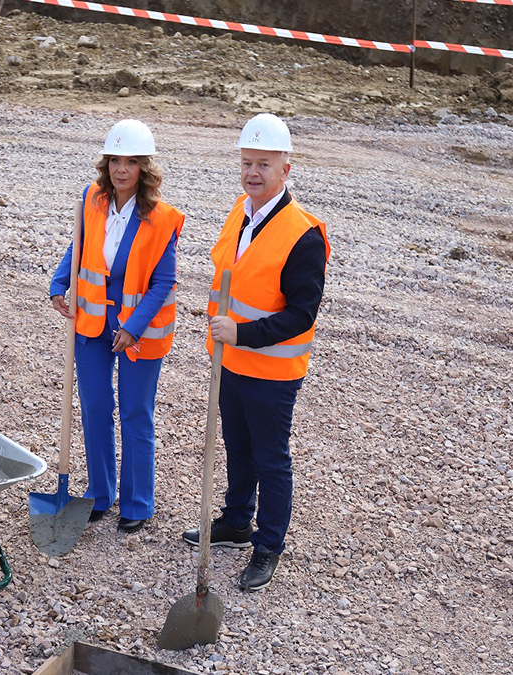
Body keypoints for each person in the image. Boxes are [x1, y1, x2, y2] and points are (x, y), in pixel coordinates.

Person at [182, 113, 330, 591]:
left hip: (271, 370)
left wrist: (240, 334)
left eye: (263, 164)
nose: (253, 172)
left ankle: (268, 547)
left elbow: (301, 314)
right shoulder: (239, 211)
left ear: (285, 169)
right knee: (237, 449)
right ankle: (236, 522)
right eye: (247, 162)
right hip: (229, 362)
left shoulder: (303, 234)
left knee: (271, 459)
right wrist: (229, 340)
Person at [49, 119, 185, 534]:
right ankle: (101, 495)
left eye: (130, 162)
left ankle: (138, 504)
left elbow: (164, 281)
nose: (121, 169)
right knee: (93, 408)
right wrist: (60, 281)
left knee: (135, 413)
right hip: (90, 323)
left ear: (144, 168)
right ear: (105, 164)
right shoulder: (92, 199)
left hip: (137, 334)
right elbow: (80, 245)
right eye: (114, 161)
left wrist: (134, 327)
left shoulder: (162, 219)